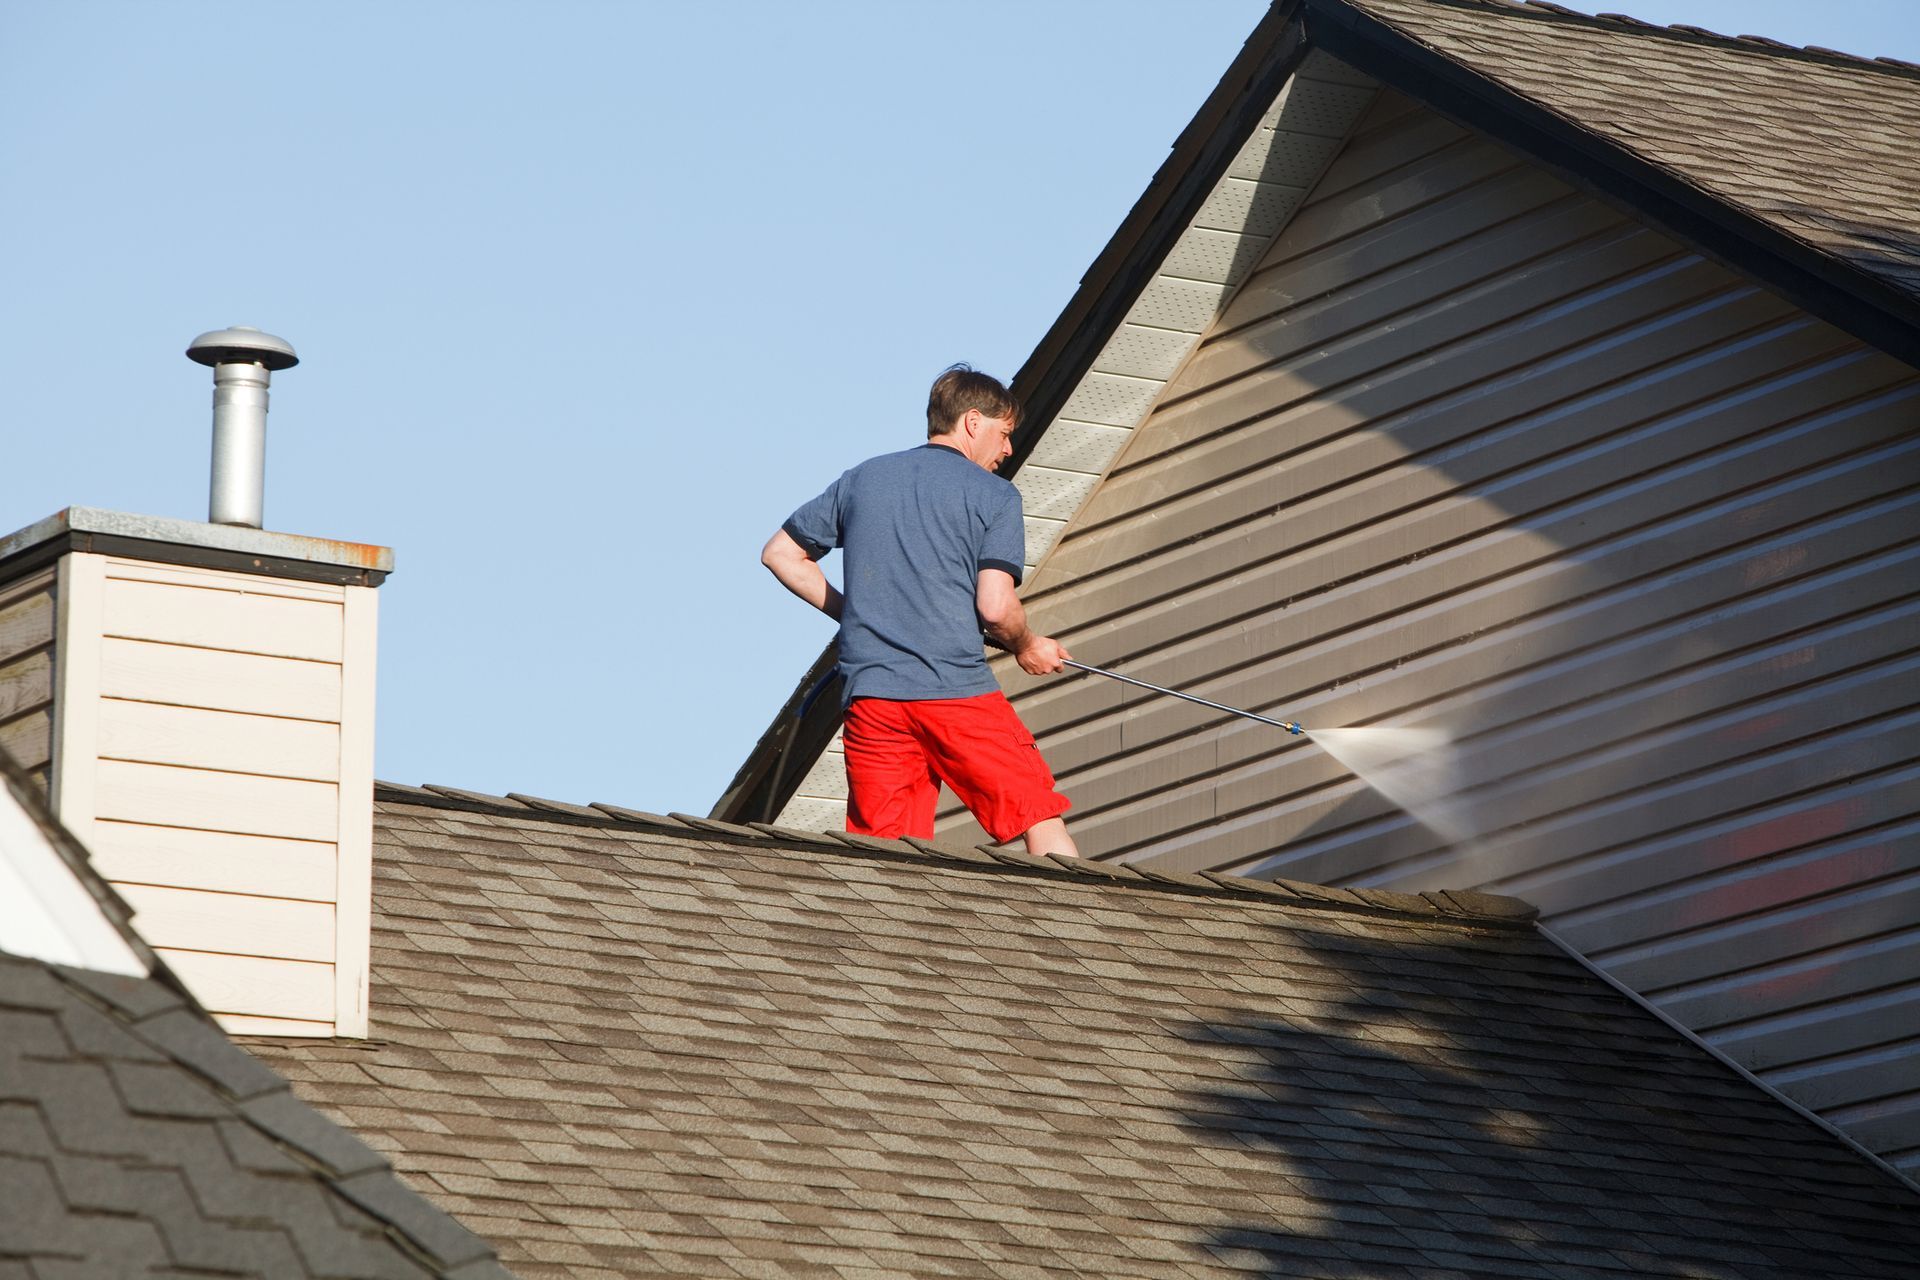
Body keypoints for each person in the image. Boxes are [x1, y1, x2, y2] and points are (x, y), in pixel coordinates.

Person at [761, 364, 1080, 858]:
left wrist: (856, 615)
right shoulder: (994, 495)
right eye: (1005, 434)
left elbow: (781, 553)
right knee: (1038, 818)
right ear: (973, 422)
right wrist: (1027, 645)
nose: (1007, 450)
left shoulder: (864, 478)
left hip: (874, 701)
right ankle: (1074, 929)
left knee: (884, 860)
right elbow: (995, 607)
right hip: (956, 691)